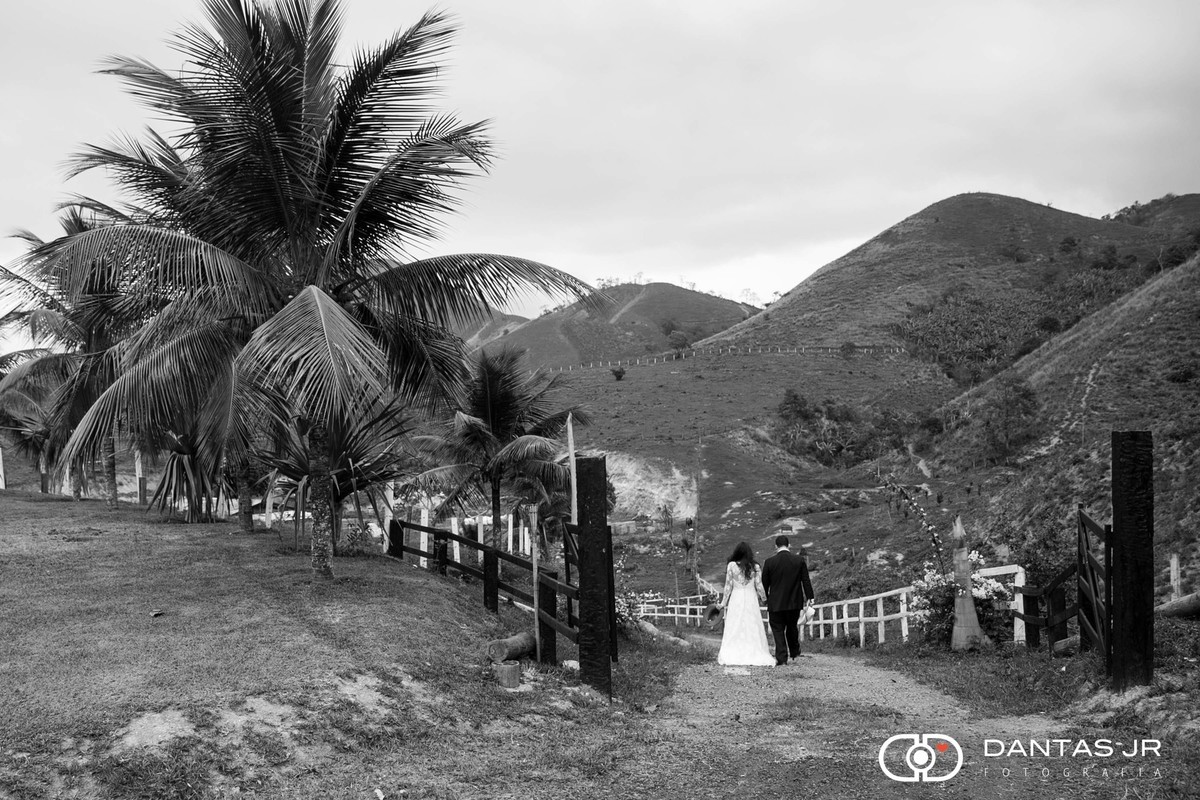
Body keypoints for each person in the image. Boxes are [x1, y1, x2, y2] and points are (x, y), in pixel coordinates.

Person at [716, 542, 776, 667]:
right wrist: (764, 599)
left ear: (737, 552)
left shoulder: (731, 565)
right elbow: (759, 586)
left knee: (735, 624)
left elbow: (728, 586)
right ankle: (754, 650)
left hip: (736, 598)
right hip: (751, 598)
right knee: (752, 623)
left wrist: (723, 603)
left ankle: (733, 651)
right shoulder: (755, 566)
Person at [761, 534, 816, 666]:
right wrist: (810, 597)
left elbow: (764, 584)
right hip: (794, 601)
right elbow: (805, 580)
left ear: (776, 546)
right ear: (789, 545)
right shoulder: (799, 560)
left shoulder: (769, 562)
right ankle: (794, 652)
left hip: (776, 602)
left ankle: (782, 658)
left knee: (777, 629)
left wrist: (765, 599)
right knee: (792, 627)